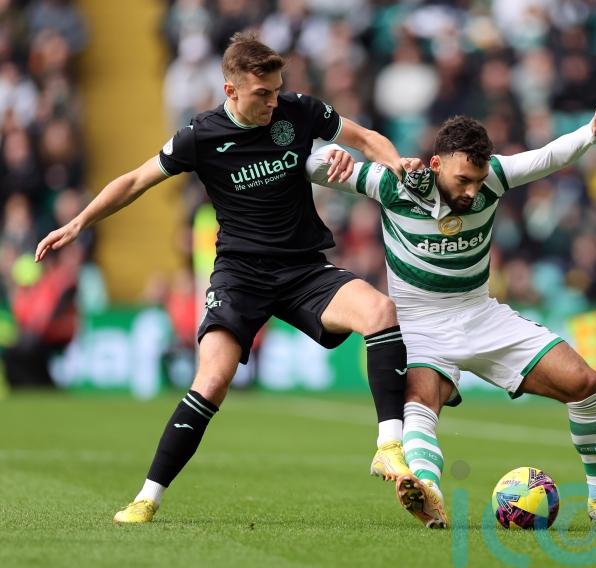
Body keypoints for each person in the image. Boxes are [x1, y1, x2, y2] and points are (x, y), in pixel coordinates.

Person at [35, 32, 418, 524]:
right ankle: (147, 497)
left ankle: (388, 445)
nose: (274, 101)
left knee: (380, 311)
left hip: (303, 268)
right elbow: (133, 180)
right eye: (263, 94)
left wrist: (397, 162)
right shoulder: (201, 135)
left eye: (278, 90)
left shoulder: (299, 111)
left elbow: (363, 138)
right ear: (231, 90)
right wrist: (77, 223)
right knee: (212, 380)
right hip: (240, 274)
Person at [307, 99, 596, 530]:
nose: (472, 191)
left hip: (479, 314)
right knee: (420, 403)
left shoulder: (493, 177)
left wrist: (589, 133)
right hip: (419, 322)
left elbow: (545, 158)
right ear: (436, 163)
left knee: (585, 383)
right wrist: (325, 156)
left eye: (478, 181)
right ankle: (426, 488)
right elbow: (308, 166)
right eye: (463, 179)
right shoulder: (391, 183)